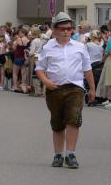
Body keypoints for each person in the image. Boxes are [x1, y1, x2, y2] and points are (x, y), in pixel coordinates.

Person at [35, 11, 95, 168]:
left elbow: (87, 69)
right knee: (57, 123)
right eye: (62, 29)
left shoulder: (80, 47)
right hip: (55, 89)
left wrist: (93, 90)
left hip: (75, 88)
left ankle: (71, 154)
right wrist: (46, 82)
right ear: (55, 30)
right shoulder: (48, 47)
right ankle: (58, 155)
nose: (66, 31)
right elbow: (40, 68)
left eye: (69, 28)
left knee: (73, 120)